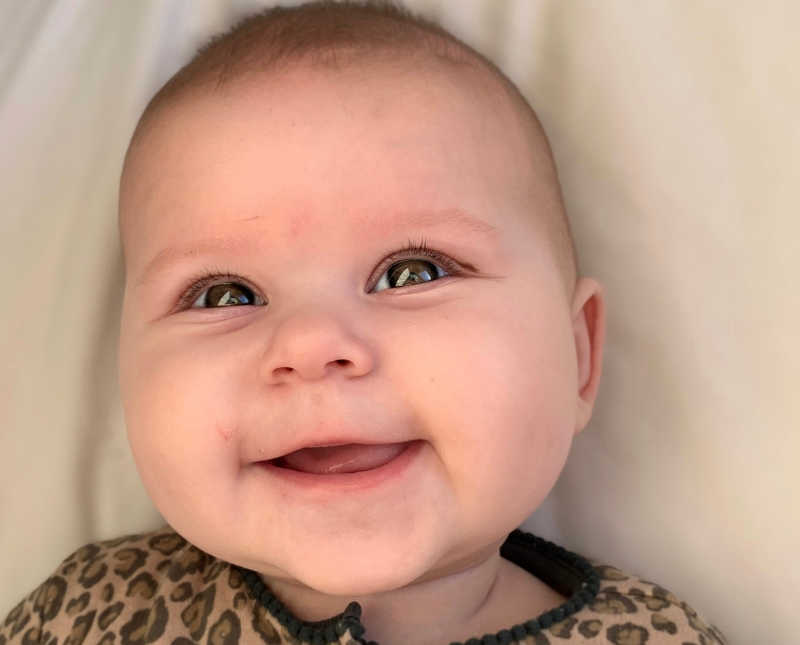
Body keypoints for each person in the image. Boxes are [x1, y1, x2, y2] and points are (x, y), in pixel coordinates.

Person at [0, 1, 728, 644]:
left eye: (413, 272)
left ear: (580, 357)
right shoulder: (94, 611)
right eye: (224, 294)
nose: (312, 345)